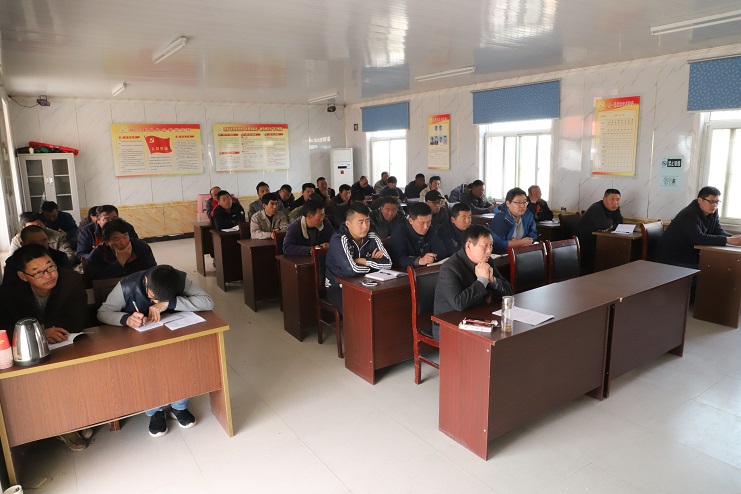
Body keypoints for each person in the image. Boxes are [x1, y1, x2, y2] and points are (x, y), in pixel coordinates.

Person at [97, 265, 214, 437]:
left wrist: (169, 303)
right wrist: (126, 319)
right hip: (140, 340)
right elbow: (102, 313)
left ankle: (179, 406)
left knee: (183, 361)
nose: (154, 302)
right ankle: (155, 411)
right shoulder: (126, 286)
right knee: (146, 371)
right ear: (146, 281)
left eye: (160, 299)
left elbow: (208, 302)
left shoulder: (179, 279)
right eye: (152, 297)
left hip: (173, 334)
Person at [0, 244, 90, 451]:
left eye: (50, 267)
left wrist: (50, 332)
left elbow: (77, 318)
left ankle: (79, 417)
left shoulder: (71, 280)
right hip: (25, 349)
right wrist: (41, 332)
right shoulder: (8, 292)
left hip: (65, 340)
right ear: (23, 276)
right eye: (38, 272)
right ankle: (61, 426)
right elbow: (4, 326)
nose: (48, 275)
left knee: (73, 371)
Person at [432, 225, 513, 341]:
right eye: (485, 246)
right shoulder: (450, 267)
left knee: (505, 336)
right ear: (469, 245)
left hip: (479, 317)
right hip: (450, 324)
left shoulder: (488, 261)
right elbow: (459, 303)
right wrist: (482, 280)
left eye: (491, 245)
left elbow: (509, 291)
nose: (489, 251)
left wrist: (493, 281)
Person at [325, 202, 392, 313]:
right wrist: (374, 264)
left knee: (386, 303)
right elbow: (351, 270)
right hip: (338, 286)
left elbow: (388, 264)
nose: (365, 226)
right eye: (360, 222)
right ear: (348, 224)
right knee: (357, 310)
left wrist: (362, 261)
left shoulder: (372, 236)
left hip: (365, 283)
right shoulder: (340, 239)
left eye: (367, 221)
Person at [656, 186, 741, 269]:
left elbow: (717, 230)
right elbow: (698, 238)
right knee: (711, 269)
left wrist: (733, 238)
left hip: (691, 255)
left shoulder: (713, 211)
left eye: (717, 202)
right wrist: (728, 240)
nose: (714, 205)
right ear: (700, 200)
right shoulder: (688, 214)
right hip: (672, 257)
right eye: (711, 202)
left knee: (717, 266)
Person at [2, 225, 73, 287]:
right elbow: (9, 288)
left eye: (44, 241)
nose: (41, 245)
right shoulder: (13, 262)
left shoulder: (60, 257)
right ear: (23, 244)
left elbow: (70, 283)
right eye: (34, 243)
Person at [87, 218, 157, 280]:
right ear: (107, 242)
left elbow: (152, 270)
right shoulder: (97, 254)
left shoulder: (141, 247)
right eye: (117, 239)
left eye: (125, 237)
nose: (123, 243)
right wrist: (119, 263)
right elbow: (95, 278)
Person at [576, 189, 624, 273]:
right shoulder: (596, 207)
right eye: (612, 199)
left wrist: (610, 225)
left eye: (618, 200)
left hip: (599, 240)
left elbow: (620, 222)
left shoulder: (615, 208)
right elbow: (604, 226)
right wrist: (611, 224)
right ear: (604, 199)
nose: (615, 203)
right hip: (585, 243)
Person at [388, 202, 447, 269]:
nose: (426, 227)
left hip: (426, 270)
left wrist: (431, 257)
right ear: (411, 221)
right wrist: (419, 260)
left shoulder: (430, 229)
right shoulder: (399, 232)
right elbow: (398, 260)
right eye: (422, 223)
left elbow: (442, 252)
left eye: (429, 222)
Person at [488, 187, 538, 254]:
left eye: (524, 202)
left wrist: (514, 242)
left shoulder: (528, 215)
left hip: (522, 253)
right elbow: (496, 243)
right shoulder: (500, 217)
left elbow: (533, 234)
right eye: (518, 202)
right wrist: (521, 242)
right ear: (508, 203)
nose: (522, 206)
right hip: (503, 254)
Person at [10, 212, 75, 262]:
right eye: (31, 228)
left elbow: (69, 256)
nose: (36, 230)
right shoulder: (17, 240)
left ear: (44, 225)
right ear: (24, 228)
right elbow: (12, 260)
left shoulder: (57, 236)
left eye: (39, 226)